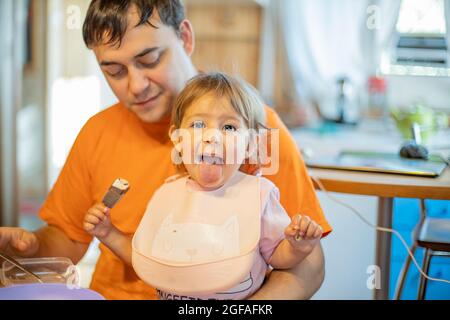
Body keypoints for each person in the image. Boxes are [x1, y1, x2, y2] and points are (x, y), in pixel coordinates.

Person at [0, 0, 331, 299]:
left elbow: (308, 266)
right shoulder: (98, 131)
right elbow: (68, 238)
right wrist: (30, 247)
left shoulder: (251, 131)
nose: (135, 85)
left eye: (150, 59)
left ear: (185, 37)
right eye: (114, 71)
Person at [83, 72, 324, 300]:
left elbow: (278, 258)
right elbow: (146, 257)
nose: (212, 137)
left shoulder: (259, 196)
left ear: (250, 145)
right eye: (198, 125)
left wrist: (298, 247)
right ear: (177, 140)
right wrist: (108, 233)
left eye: (229, 127)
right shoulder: (168, 193)